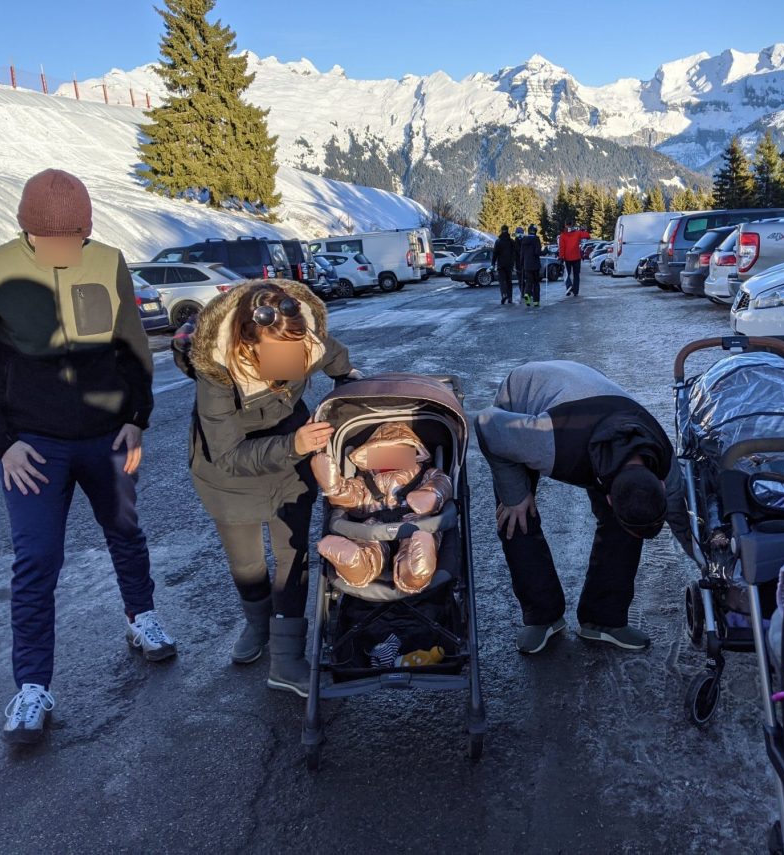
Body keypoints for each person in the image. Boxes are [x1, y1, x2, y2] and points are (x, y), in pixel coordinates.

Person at [0, 168, 175, 744]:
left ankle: (141, 618)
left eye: (75, 235)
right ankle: (32, 688)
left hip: (107, 437)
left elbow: (132, 346)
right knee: (36, 562)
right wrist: (2, 445)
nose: (66, 246)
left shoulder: (108, 260)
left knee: (126, 532)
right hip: (34, 447)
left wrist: (135, 419)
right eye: (54, 238)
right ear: (27, 230)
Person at [184, 280, 356, 697]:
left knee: (291, 556)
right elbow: (227, 455)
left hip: (291, 460)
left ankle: (287, 658)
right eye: (278, 357)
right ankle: (257, 626)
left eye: (297, 354)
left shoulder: (305, 339)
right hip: (228, 471)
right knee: (247, 563)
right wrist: (293, 444)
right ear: (247, 345)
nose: (292, 362)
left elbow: (334, 357)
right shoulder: (216, 371)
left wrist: (350, 381)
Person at [474, 360, 674, 653]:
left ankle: (602, 620)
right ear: (606, 497)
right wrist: (515, 495)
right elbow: (489, 425)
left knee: (630, 519)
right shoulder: (548, 443)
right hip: (524, 402)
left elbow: (687, 521)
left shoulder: (665, 462)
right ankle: (542, 618)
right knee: (516, 514)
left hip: (590, 393)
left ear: (663, 486)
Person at [313, 422, 453, 593]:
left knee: (419, 543)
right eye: (382, 455)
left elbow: (442, 482)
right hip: (373, 529)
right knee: (368, 549)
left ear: (413, 454)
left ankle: (415, 572)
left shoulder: (424, 474)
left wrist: (431, 495)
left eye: (398, 454)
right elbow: (352, 496)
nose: (390, 459)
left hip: (414, 525)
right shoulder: (365, 481)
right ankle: (353, 562)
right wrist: (334, 488)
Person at [558, 221, 591, 297]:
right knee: (576, 275)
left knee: (567, 274)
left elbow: (561, 247)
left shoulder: (562, 235)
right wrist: (583, 230)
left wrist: (561, 257)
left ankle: (569, 287)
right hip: (576, 257)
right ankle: (576, 291)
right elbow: (587, 236)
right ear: (572, 225)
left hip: (567, 258)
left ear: (565, 225)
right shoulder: (577, 233)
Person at [519, 224, 543, 308]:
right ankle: (536, 301)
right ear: (535, 231)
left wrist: (521, 264)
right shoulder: (536, 239)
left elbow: (521, 253)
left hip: (527, 265)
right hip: (535, 265)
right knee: (536, 283)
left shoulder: (524, 240)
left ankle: (526, 294)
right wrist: (545, 251)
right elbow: (538, 252)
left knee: (529, 282)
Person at [492, 225, 516, 305]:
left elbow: (495, 253)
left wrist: (493, 263)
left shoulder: (498, 241)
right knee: (509, 281)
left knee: (502, 281)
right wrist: (513, 263)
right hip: (509, 265)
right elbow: (515, 253)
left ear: (501, 230)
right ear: (508, 230)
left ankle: (504, 294)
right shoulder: (511, 241)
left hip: (501, 265)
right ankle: (510, 298)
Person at [513, 227, 526, 303]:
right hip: (519, 263)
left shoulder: (524, 241)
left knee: (526, 278)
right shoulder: (516, 242)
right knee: (520, 278)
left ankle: (526, 291)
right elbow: (515, 253)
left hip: (524, 262)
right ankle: (523, 292)